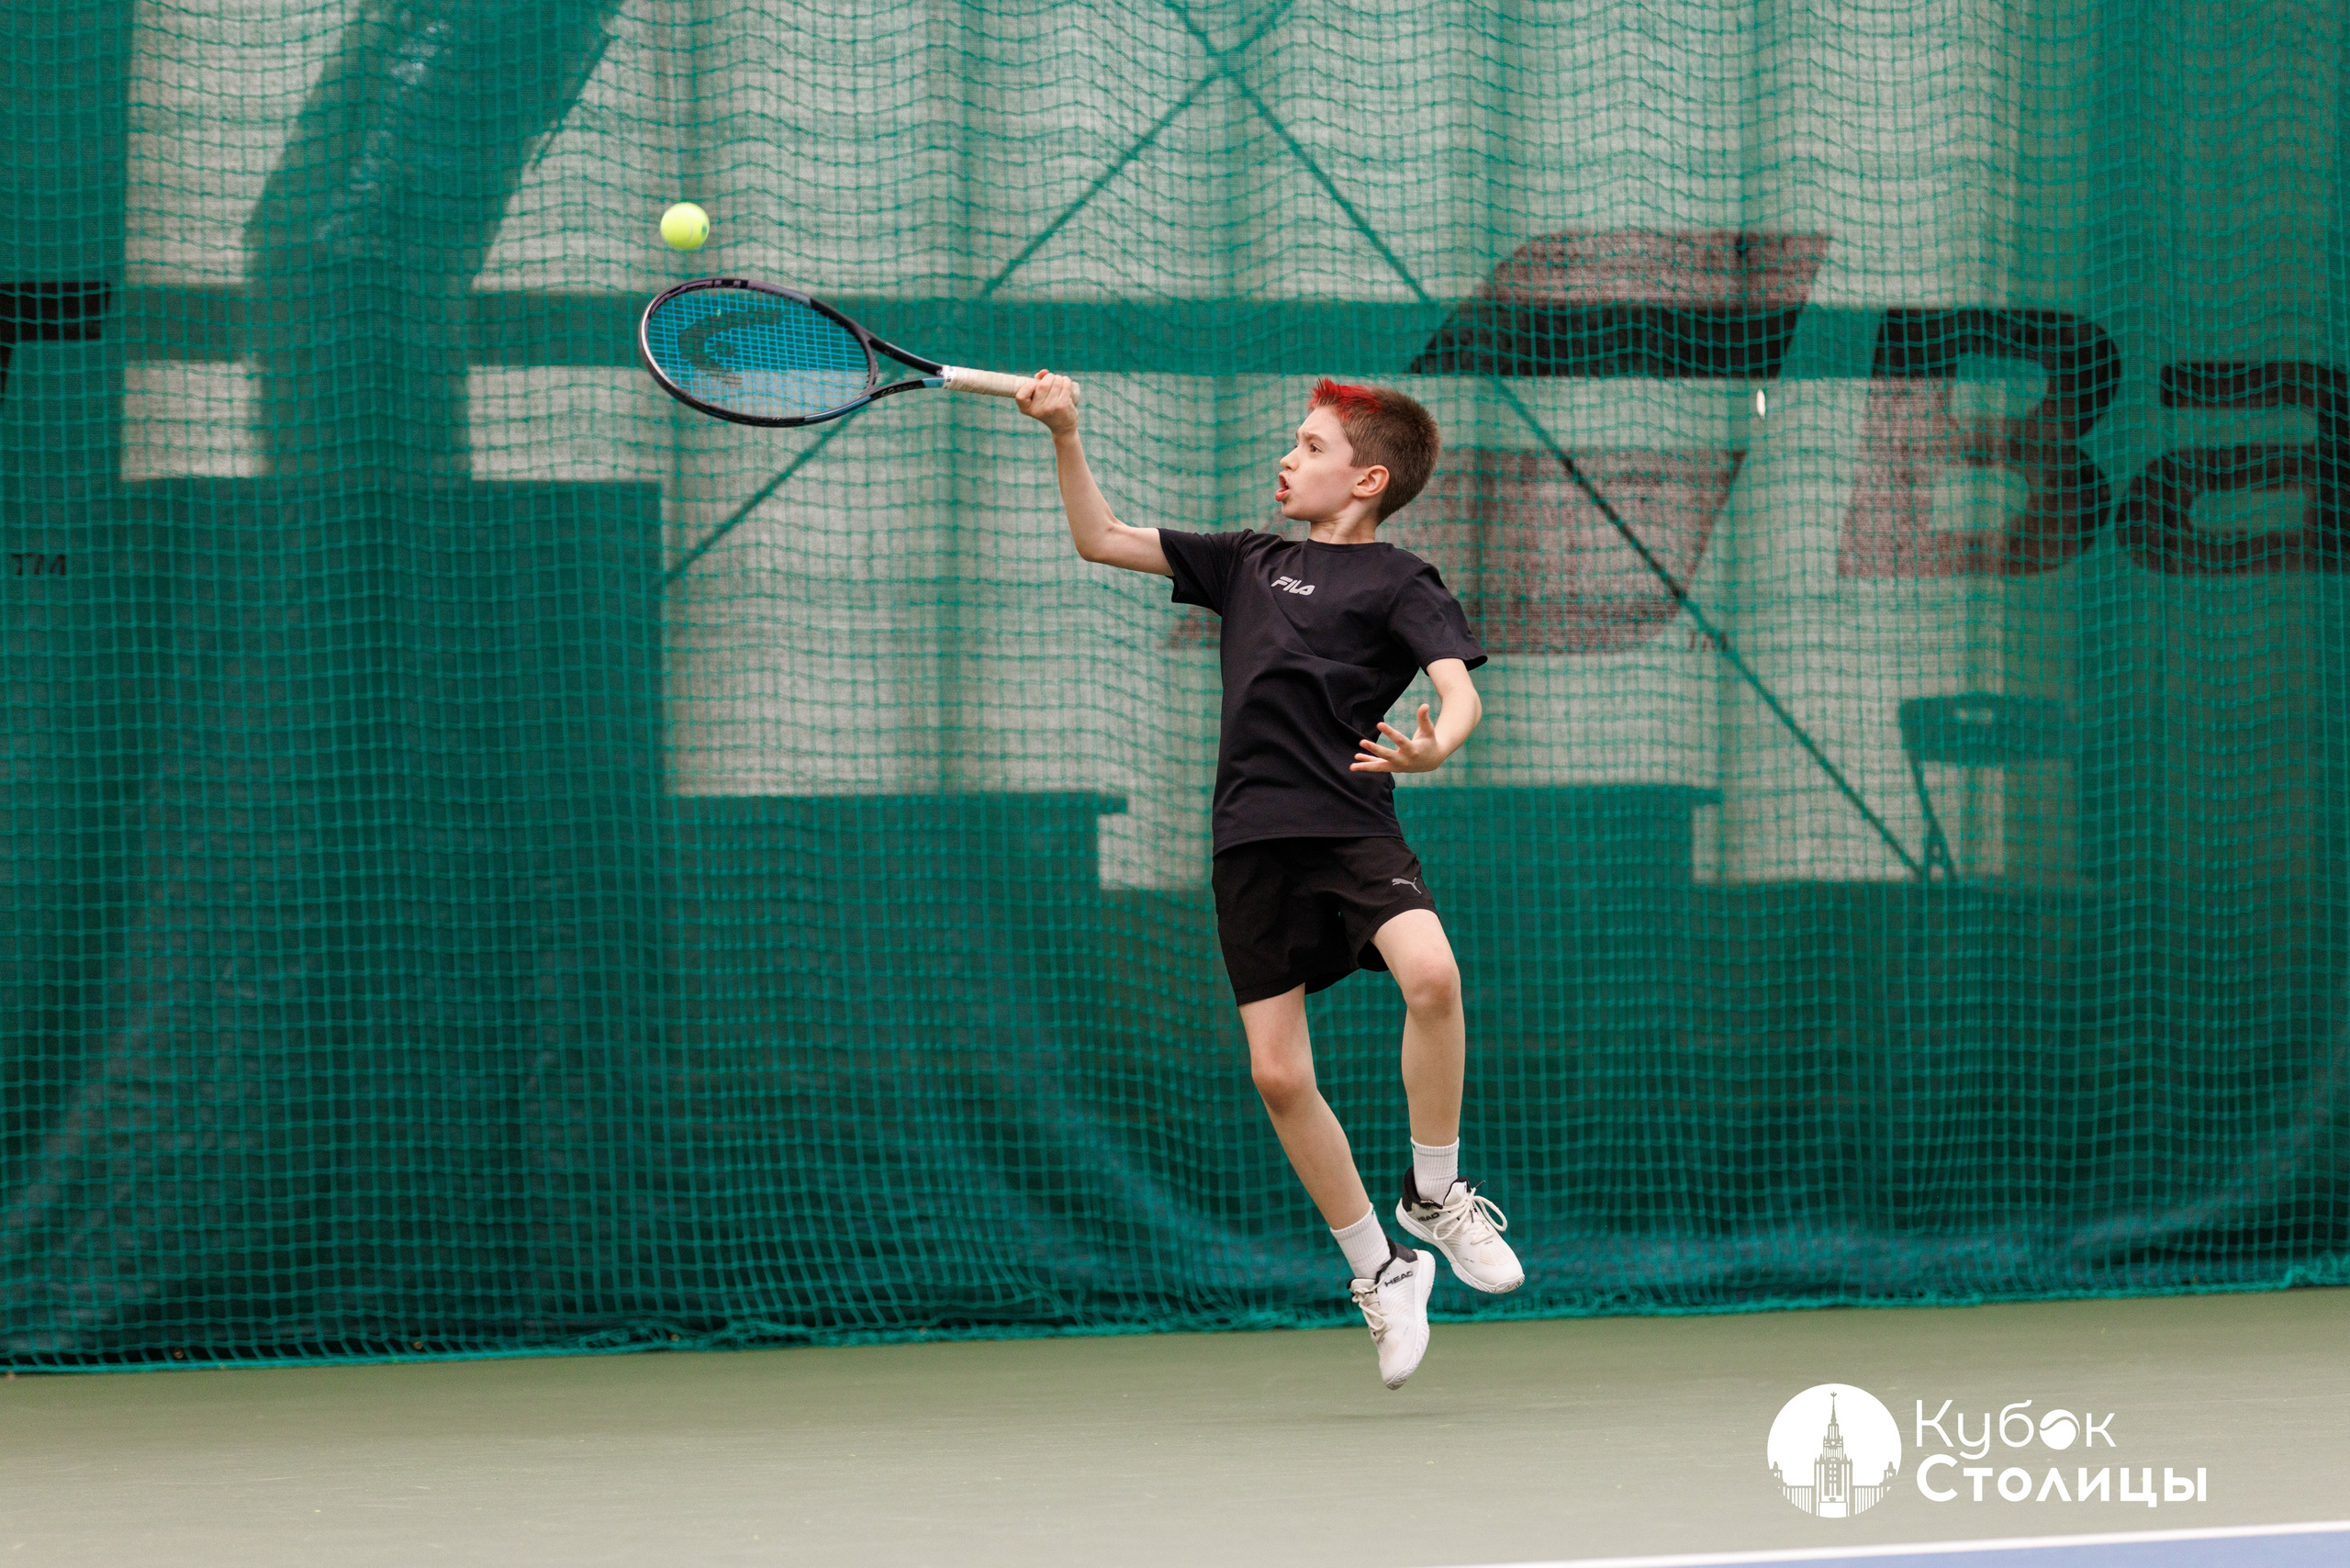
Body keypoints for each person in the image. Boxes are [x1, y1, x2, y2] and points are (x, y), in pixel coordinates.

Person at [1016, 371, 1521, 1389]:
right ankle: (1382, 1271)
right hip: (1250, 841)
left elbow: (1455, 690)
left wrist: (1436, 749)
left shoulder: (1401, 581)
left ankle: (1433, 1192)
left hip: (1349, 824)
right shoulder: (1247, 561)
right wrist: (1065, 432)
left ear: (1366, 477)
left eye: (1309, 445)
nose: (1286, 459)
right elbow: (1102, 537)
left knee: (1432, 975)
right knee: (1279, 1075)